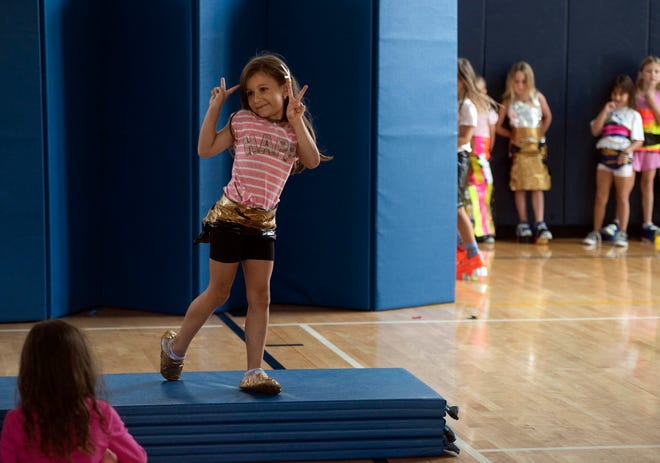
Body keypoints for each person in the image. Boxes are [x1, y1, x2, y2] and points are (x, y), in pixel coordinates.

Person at [159, 53, 324, 395]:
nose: (257, 99)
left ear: (285, 88)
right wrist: (215, 107)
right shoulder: (242, 121)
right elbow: (205, 149)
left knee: (260, 297)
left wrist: (296, 121)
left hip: (264, 224)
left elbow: (311, 160)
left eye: (264, 89)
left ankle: (253, 370)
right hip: (230, 218)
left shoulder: (295, 130)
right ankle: (175, 348)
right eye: (250, 93)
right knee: (218, 291)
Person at [0, 319, 147, 463]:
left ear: (29, 370)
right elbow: (138, 458)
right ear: (82, 367)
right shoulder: (101, 414)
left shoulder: (15, 420)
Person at [583, 75, 644, 248]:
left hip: (623, 159)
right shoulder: (607, 112)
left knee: (623, 197)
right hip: (605, 158)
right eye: (615, 93)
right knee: (601, 196)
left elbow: (638, 140)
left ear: (629, 95)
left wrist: (627, 151)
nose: (617, 98)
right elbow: (595, 131)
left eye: (621, 94)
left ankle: (622, 233)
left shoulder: (633, 115)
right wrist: (605, 111)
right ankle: (595, 232)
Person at [495, 61, 553, 244]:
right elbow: (497, 126)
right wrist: (512, 135)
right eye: (516, 82)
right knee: (519, 184)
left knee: (537, 184)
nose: (520, 86)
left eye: (523, 82)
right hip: (519, 149)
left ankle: (540, 222)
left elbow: (548, 116)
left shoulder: (538, 97)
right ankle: (523, 222)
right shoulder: (508, 102)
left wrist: (540, 133)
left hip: (536, 148)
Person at [456, 58, 494, 280]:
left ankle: (474, 253)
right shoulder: (450, 101)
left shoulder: (468, 106)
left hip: (458, 159)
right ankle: (461, 250)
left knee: (456, 206)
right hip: (445, 157)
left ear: (463, 79)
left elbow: (463, 138)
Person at [466, 76, 498, 244]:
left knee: (484, 189)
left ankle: (482, 228)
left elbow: (491, 136)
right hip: (471, 155)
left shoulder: (488, 112)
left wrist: (484, 153)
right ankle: (476, 229)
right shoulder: (469, 111)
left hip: (481, 156)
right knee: (471, 192)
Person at [632, 56, 660, 241]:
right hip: (634, 146)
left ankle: (647, 222)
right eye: (649, 71)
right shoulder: (634, 95)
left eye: (657, 72)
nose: (653, 75)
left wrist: (651, 100)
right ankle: (620, 222)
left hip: (653, 147)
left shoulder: (657, 96)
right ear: (641, 74)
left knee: (647, 184)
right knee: (626, 184)